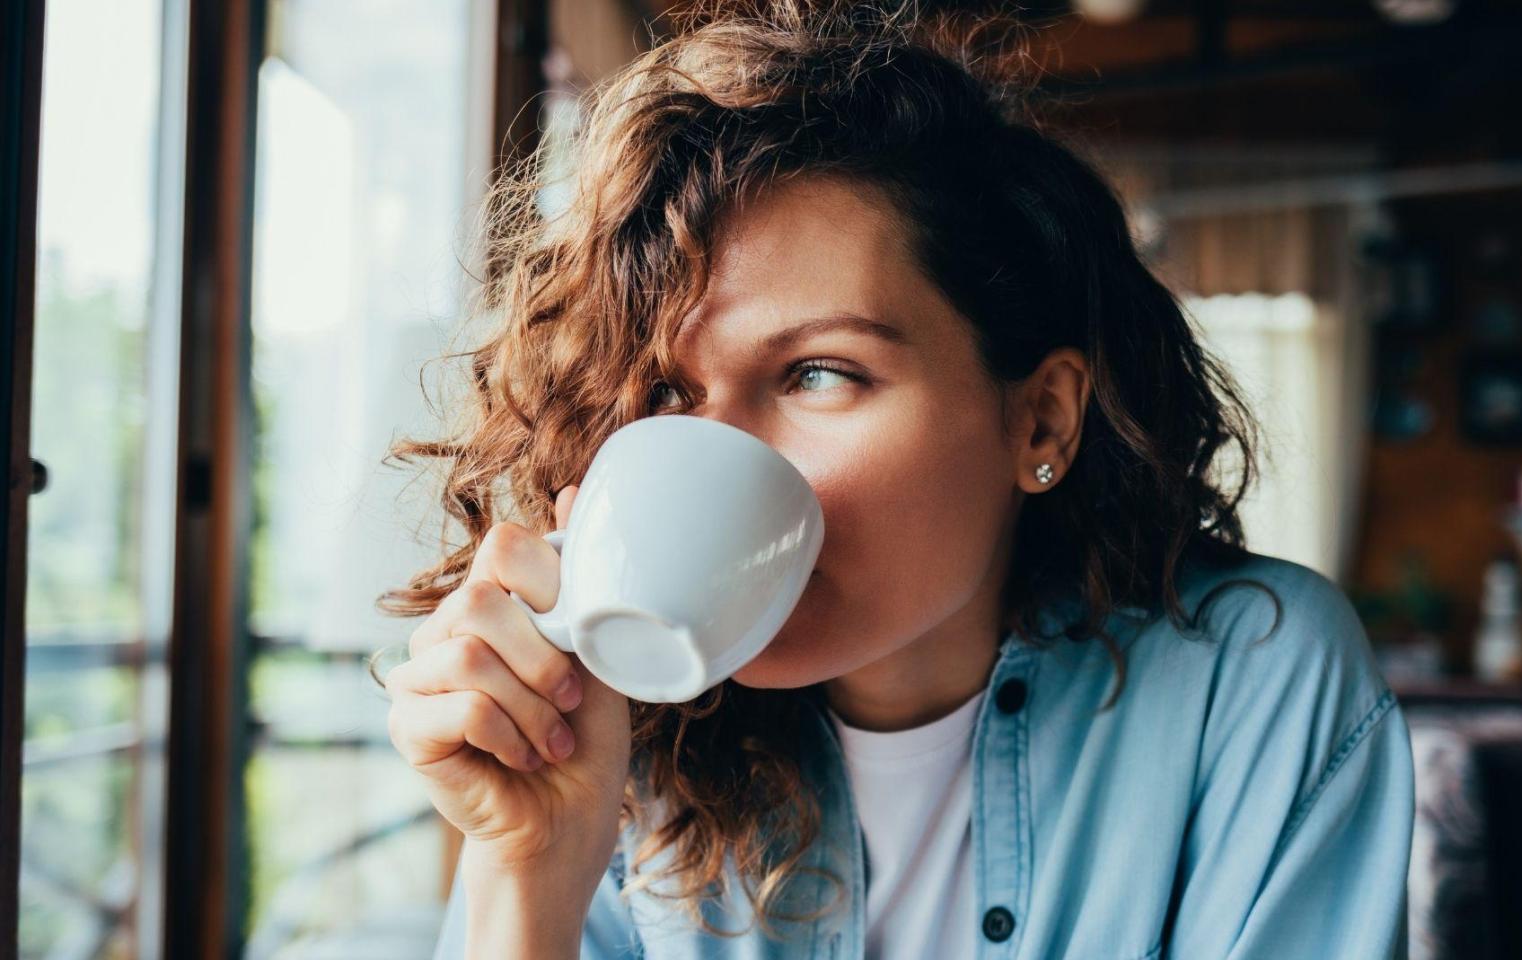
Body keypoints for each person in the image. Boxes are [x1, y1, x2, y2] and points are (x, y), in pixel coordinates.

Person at [372, 1, 1415, 957]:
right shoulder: (613, 735)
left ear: (1038, 417)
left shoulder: (1249, 680)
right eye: (663, 392)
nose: (717, 453)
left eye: (818, 373)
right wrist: (525, 878)